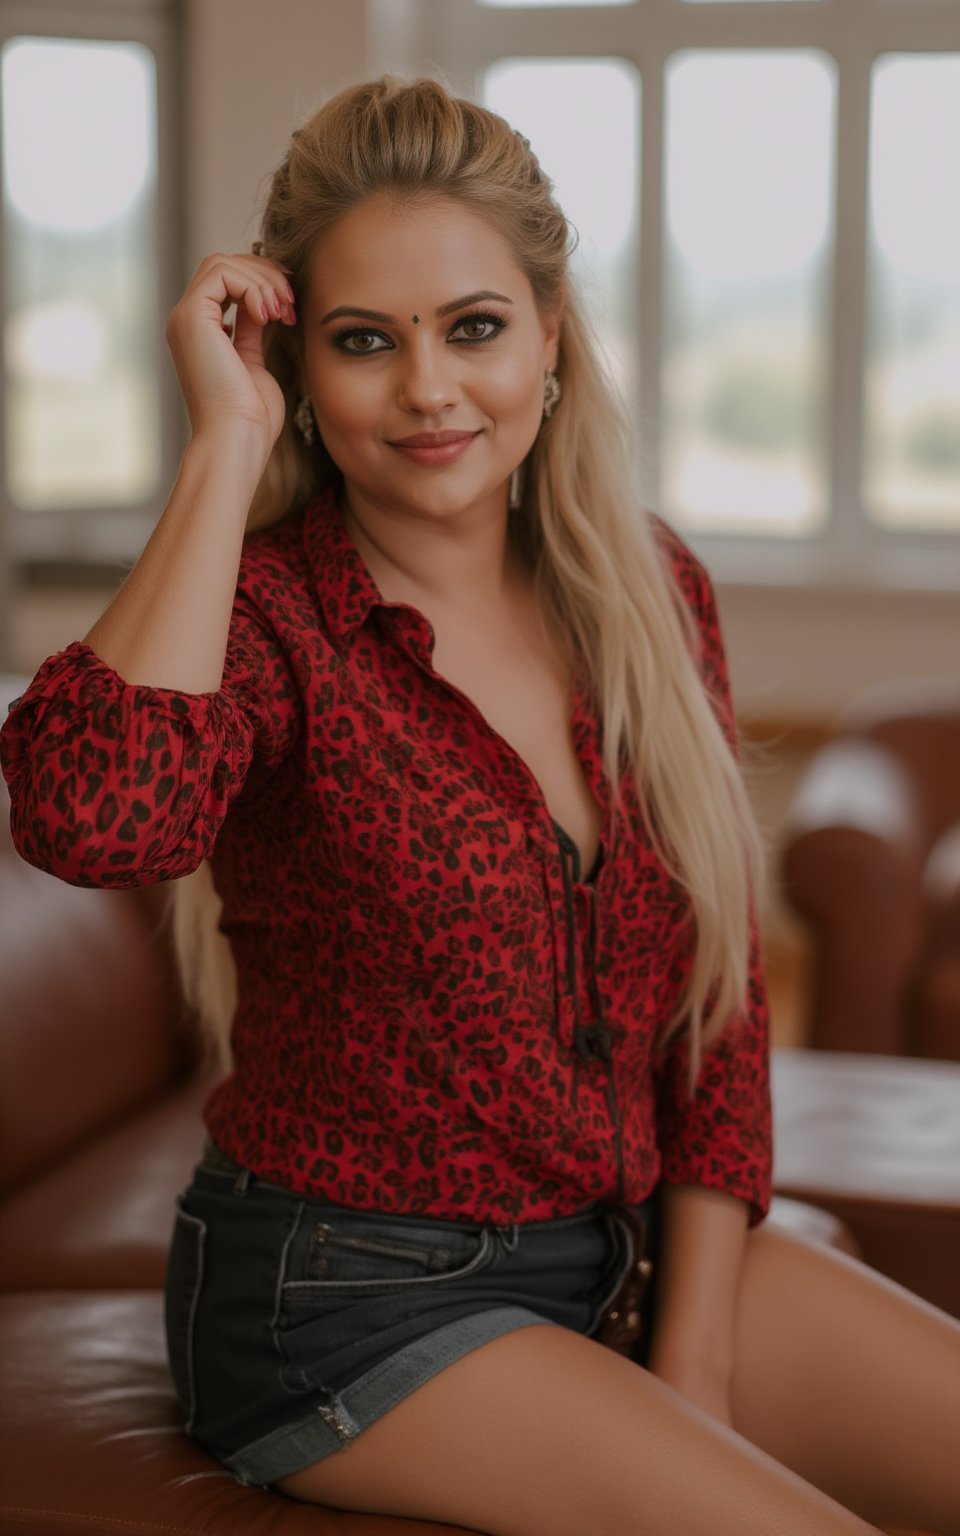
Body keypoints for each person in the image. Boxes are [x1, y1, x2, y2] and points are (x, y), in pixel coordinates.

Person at [1, 75, 957, 1536]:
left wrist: (687, 1362)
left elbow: (726, 1001)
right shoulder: (266, 623)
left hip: (626, 1254)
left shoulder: (649, 588)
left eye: (476, 327)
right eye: (364, 342)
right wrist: (221, 447)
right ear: (299, 369)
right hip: (345, 1299)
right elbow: (90, 823)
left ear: (553, 335)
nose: (431, 390)